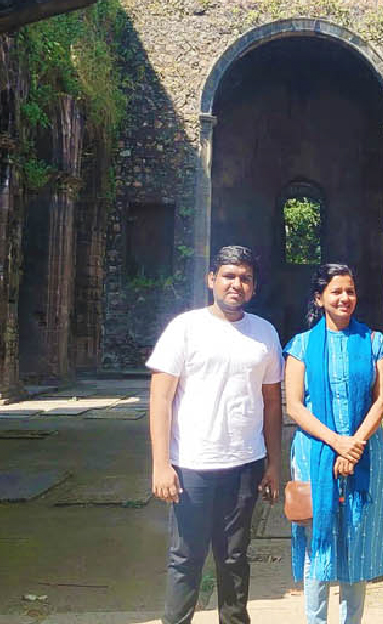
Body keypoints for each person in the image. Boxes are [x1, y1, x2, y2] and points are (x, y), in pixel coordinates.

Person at [147, 245, 283, 624]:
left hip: (245, 464)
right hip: (192, 465)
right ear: (211, 280)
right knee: (185, 558)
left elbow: (272, 404)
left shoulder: (264, 334)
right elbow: (160, 399)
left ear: (253, 287)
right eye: (228, 276)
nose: (236, 284)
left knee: (235, 558)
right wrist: (161, 464)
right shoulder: (185, 328)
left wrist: (274, 464)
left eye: (245, 278)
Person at [284, 263, 383, 624]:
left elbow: (381, 402)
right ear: (319, 298)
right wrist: (336, 443)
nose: (345, 298)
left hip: (364, 453)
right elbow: (295, 406)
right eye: (336, 291)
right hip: (315, 453)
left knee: (355, 540)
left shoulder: (374, 342)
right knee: (318, 539)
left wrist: (354, 446)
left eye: (350, 291)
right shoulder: (301, 346)